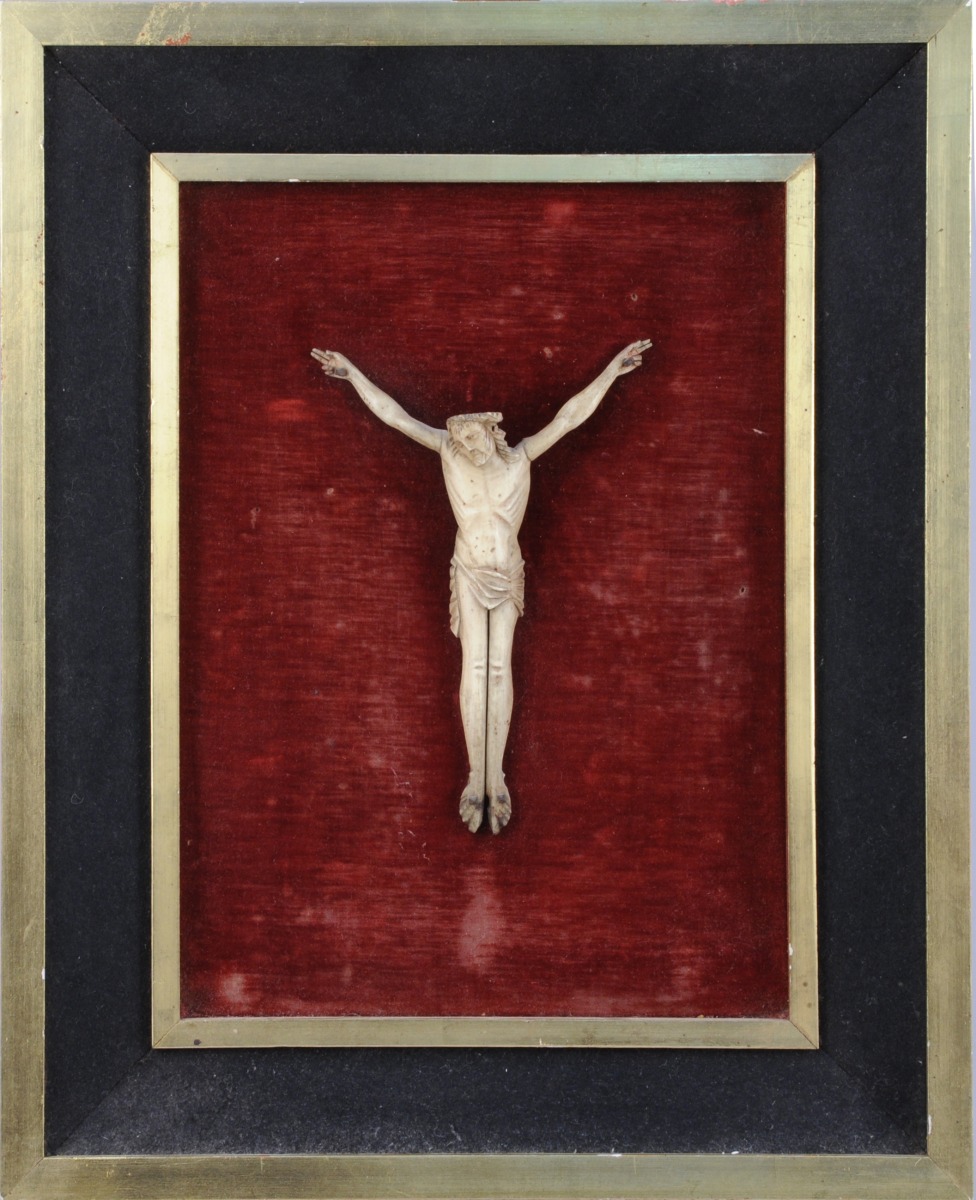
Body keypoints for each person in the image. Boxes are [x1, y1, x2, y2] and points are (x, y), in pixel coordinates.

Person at [312, 339, 652, 833]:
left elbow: (569, 417)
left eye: (476, 440)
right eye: (464, 442)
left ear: (493, 433)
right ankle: (478, 776)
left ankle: (498, 776)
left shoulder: (521, 458)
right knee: (475, 666)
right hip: (470, 569)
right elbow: (395, 416)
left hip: (506, 571)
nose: (470, 449)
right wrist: (354, 375)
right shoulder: (448, 452)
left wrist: (611, 373)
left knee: (498, 667)